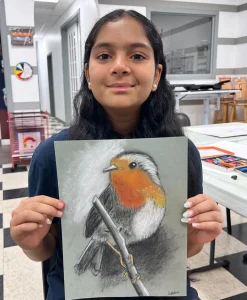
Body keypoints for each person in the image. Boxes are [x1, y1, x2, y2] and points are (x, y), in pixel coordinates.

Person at [10, 9, 223, 300]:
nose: (120, 66)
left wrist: (198, 236)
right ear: (87, 73)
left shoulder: (182, 153)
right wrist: (29, 239)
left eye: (137, 56)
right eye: (104, 56)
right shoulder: (50, 155)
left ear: (157, 74)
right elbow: (46, 249)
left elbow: (184, 248)